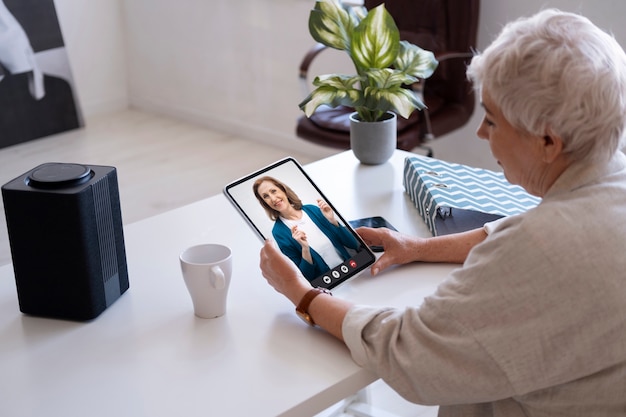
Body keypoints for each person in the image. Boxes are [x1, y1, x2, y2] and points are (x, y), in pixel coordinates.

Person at [258, 9, 626, 416]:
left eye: (491, 119)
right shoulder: (612, 177)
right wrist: (416, 247)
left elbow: (407, 351)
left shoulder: (542, 248)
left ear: (548, 143)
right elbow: (518, 232)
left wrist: (302, 293)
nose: (481, 133)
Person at [253, 176, 359, 281]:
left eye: (274, 191)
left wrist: (333, 221)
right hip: (328, 284)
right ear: (265, 203)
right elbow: (305, 276)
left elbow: (353, 244)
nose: (273, 198)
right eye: (266, 196)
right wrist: (305, 249)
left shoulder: (313, 210)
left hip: (351, 270)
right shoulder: (279, 232)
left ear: (283, 190)